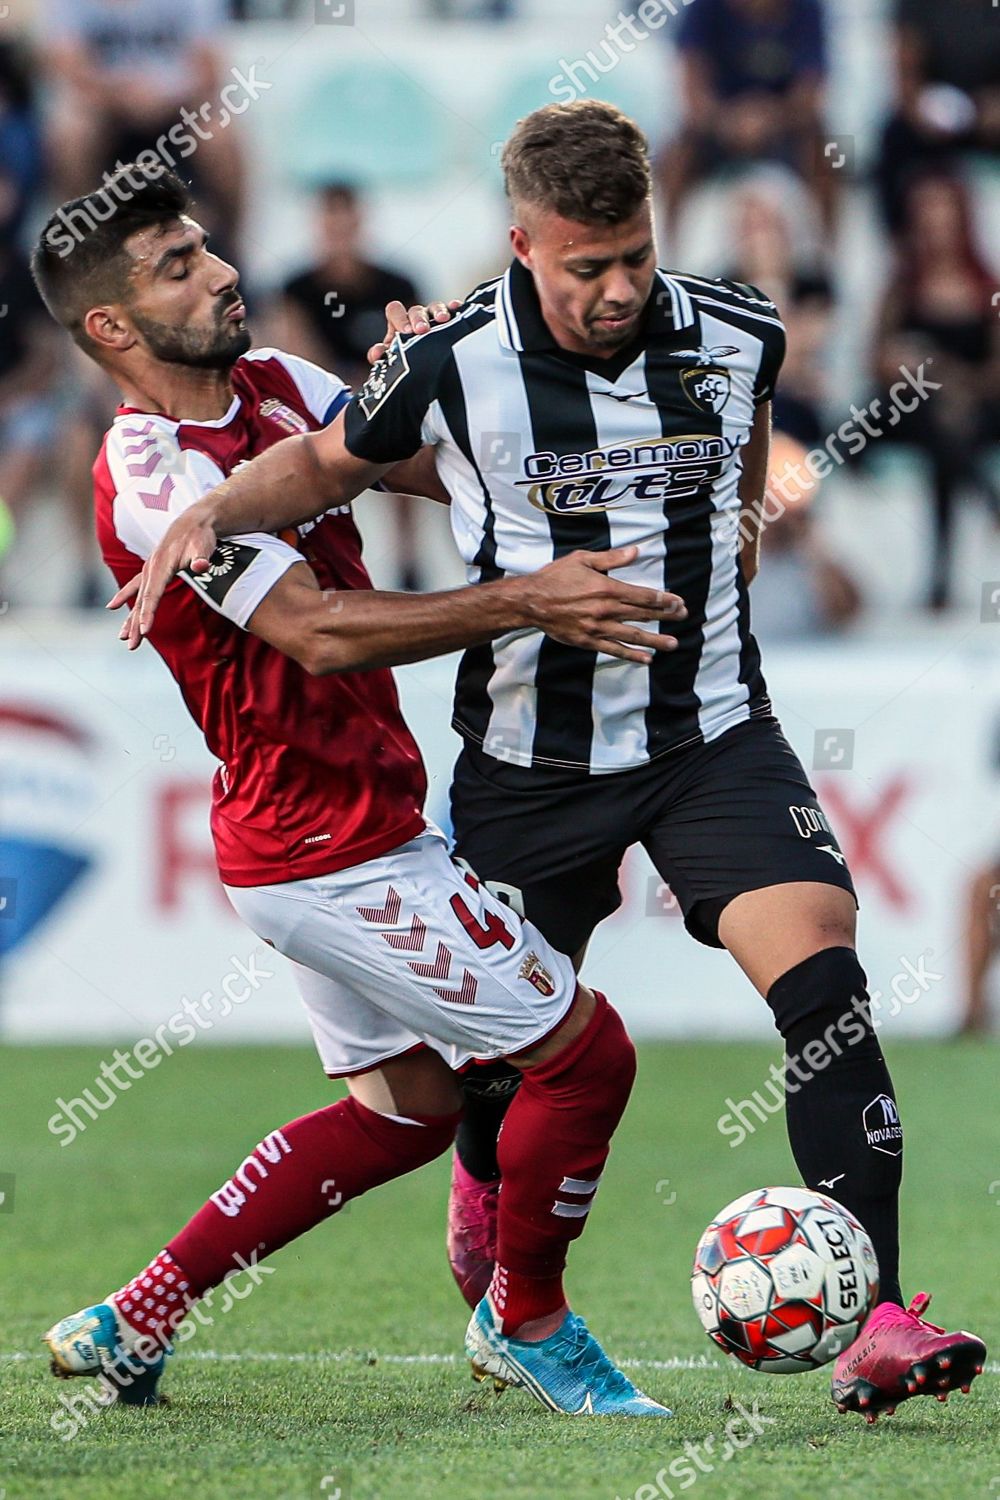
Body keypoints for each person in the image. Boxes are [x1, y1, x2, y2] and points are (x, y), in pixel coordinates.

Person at [112, 100, 987, 1424]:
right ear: (523, 245)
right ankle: (500, 1269)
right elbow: (319, 464)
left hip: (709, 739)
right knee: (501, 1077)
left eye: (635, 254)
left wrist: (727, 560)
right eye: (587, 266)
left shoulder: (738, 334)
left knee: (825, 992)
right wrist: (207, 515)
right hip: (528, 764)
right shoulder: (453, 365)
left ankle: (878, 1319)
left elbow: (747, 493)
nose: (618, 287)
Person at [33, 163, 691, 1417]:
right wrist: (525, 600)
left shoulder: (277, 383)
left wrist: (438, 387)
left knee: (407, 1115)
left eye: (209, 247)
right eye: (179, 266)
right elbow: (320, 633)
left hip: (345, 821)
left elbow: (440, 469)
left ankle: (136, 1318)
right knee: (587, 1057)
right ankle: (529, 1321)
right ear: (109, 328)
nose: (224, 271)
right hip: (324, 848)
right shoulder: (155, 475)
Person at [272, 182, 427, 590]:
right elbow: (296, 355)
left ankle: (408, 556)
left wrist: (371, 389)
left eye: (346, 222)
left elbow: (413, 351)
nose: (339, 232)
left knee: (405, 436)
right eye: (330, 222)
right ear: (319, 225)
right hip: (324, 403)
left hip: (381, 397)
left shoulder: (397, 284)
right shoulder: (297, 287)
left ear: (359, 221)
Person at [872, 173, 1000, 611]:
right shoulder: (901, 286)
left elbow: (996, 372)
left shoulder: (987, 289)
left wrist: (947, 375)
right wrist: (911, 367)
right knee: (930, 412)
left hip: (974, 408)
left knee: (949, 427)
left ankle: (940, 581)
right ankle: (989, 497)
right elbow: (878, 360)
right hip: (912, 408)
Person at [659, 0, 834, 231]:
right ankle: (669, 249)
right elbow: (692, 86)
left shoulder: (806, 7)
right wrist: (726, 120)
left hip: (786, 127)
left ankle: (826, 252)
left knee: (831, 157)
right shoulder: (704, 7)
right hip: (717, 126)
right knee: (674, 161)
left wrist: (769, 118)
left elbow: (811, 90)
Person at [875, 0, 1000, 237]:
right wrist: (930, 112)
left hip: (992, 120)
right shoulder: (920, 6)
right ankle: (902, 245)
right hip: (935, 124)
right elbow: (906, 79)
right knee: (895, 136)